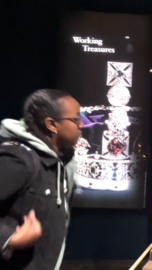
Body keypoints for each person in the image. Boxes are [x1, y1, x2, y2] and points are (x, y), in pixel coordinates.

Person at [0, 89, 82, 269]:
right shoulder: (19, 159)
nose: (82, 125)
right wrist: (8, 239)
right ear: (51, 124)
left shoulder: (59, 163)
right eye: (76, 119)